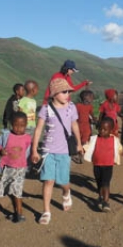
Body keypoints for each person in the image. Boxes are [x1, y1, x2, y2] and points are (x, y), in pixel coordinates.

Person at [30, 78, 84, 225]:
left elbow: (75, 126)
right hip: (48, 151)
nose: (67, 94)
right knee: (48, 181)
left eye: (68, 91)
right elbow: (39, 129)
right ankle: (46, 211)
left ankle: (66, 192)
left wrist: (79, 144)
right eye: (64, 91)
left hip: (64, 151)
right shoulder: (45, 109)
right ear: (54, 94)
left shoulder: (71, 107)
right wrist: (34, 150)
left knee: (63, 181)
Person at [0, 112, 32, 222]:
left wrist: (31, 161)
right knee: (10, 189)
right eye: (16, 125)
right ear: (11, 124)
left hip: (20, 168)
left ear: (26, 125)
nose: (19, 128)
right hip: (8, 167)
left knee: (17, 190)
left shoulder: (27, 138)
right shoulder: (6, 135)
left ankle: (19, 213)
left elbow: (29, 152)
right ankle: (16, 211)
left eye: (22, 126)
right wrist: (1, 151)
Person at [83, 116, 123, 212]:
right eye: (100, 129)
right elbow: (87, 147)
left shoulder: (114, 140)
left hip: (108, 166)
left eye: (105, 129)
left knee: (106, 183)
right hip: (97, 165)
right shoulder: (94, 139)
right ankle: (100, 196)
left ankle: (106, 202)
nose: (102, 131)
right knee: (99, 183)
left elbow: (120, 149)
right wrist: (81, 149)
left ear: (111, 130)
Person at [74, 89, 95, 164]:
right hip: (78, 126)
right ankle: (80, 153)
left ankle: (81, 154)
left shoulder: (89, 106)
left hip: (86, 126)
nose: (92, 99)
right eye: (91, 97)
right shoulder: (78, 106)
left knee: (84, 140)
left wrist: (94, 119)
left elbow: (91, 114)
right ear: (85, 98)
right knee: (79, 140)